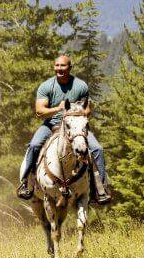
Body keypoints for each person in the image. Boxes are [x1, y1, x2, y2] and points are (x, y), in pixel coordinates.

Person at [17, 54, 111, 204]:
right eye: (57, 66)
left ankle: (101, 189)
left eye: (63, 66)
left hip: (75, 127)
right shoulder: (47, 86)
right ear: (54, 67)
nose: (59, 69)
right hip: (51, 125)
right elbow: (40, 111)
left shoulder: (81, 86)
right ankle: (25, 184)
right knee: (34, 146)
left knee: (97, 149)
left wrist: (74, 113)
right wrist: (58, 109)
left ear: (70, 68)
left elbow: (87, 110)